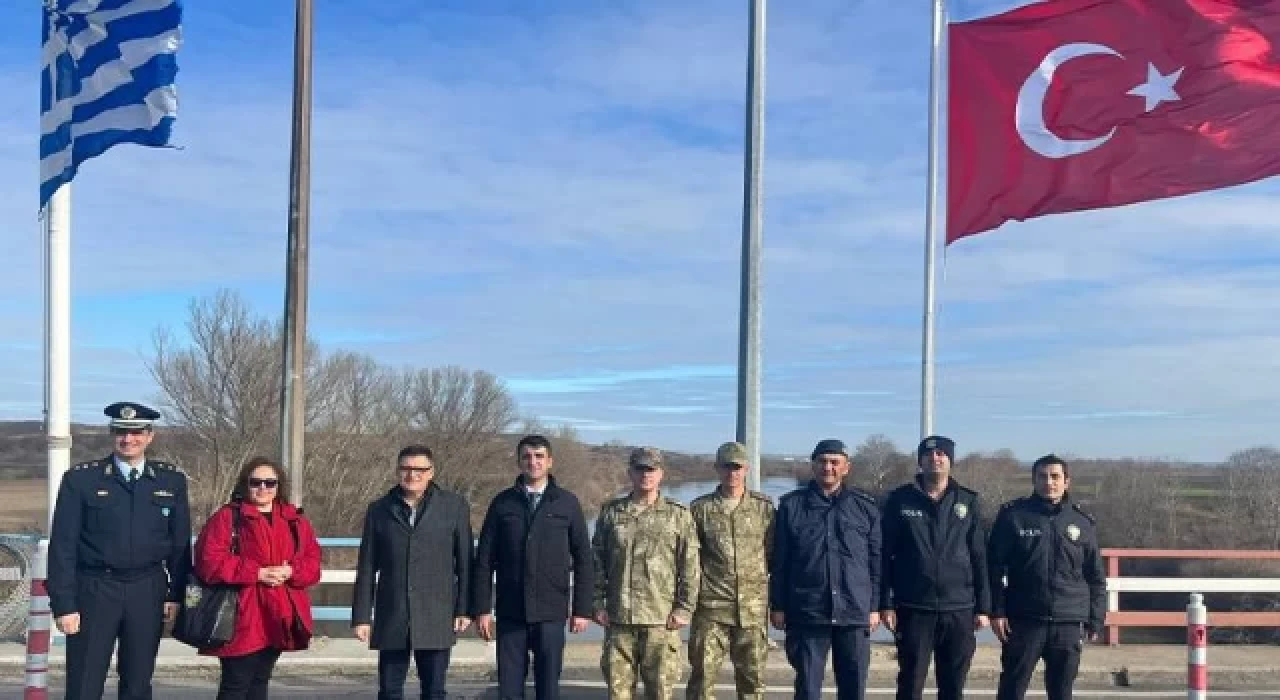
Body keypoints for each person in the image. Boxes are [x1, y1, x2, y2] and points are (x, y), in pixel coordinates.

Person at [47, 401, 192, 700]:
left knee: (138, 684)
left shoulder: (170, 481)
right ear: (112, 434)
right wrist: (64, 604)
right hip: (95, 589)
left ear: (150, 435)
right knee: (84, 682)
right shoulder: (81, 480)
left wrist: (175, 595)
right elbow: (63, 546)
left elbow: (179, 546)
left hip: (147, 589)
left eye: (137, 432)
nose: (129, 439)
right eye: (121, 432)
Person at [471, 434, 595, 700]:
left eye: (539, 456)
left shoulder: (567, 503)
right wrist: (482, 608)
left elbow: (584, 559)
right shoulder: (502, 503)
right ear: (519, 461)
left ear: (550, 461)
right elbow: (484, 560)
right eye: (527, 456)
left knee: (548, 687)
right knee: (510, 688)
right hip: (511, 611)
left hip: (551, 611)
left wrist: (582, 609)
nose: (533, 462)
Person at [193, 456, 323, 700]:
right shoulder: (228, 518)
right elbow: (209, 562)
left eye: (269, 483)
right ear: (245, 484)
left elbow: (312, 563)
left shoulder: (295, 521)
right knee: (236, 684)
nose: (262, 488)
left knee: (259, 682)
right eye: (256, 482)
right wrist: (257, 572)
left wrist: (291, 571)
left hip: (278, 614)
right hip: (242, 615)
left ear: (278, 486)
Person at [352, 445, 474, 700]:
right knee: (389, 690)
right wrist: (361, 617)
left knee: (434, 690)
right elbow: (366, 567)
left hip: (436, 614)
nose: (412, 475)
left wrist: (464, 609)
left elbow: (465, 563)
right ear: (397, 471)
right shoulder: (379, 509)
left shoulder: (453, 506)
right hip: (392, 613)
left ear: (432, 472)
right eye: (406, 468)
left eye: (420, 469)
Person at [880, 435, 990, 700]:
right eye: (929, 455)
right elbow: (884, 555)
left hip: (959, 609)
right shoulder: (900, 500)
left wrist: (985, 607)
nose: (935, 459)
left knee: (953, 685)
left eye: (941, 454)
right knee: (910, 683)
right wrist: (885, 603)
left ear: (950, 460)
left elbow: (979, 557)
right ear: (920, 462)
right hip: (914, 607)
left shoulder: (968, 502)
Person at [770, 438, 882, 700]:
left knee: (853, 687)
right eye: (822, 461)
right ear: (813, 466)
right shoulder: (791, 506)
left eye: (835, 462)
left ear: (846, 467)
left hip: (854, 611)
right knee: (808, 689)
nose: (828, 467)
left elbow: (876, 561)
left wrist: (875, 605)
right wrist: (778, 605)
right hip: (808, 611)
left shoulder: (865, 508)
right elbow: (781, 561)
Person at [988, 454, 1106, 700]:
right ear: (1033, 480)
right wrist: (997, 611)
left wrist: (1095, 618)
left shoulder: (1082, 522)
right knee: (1012, 688)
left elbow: (1095, 576)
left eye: (1055, 477)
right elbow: (994, 568)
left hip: (1068, 621)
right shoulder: (1013, 516)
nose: (1049, 482)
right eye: (1042, 476)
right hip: (1024, 620)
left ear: (1066, 482)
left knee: (1062, 692)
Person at [592, 447, 700, 700]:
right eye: (640, 468)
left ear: (661, 473)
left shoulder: (678, 514)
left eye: (651, 469)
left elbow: (691, 565)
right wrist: (596, 603)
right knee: (618, 693)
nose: (645, 474)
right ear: (630, 472)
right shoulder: (612, 512)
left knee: (660, 694)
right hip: (619, 620)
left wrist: (684, 608)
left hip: (660, 621)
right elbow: (597, 561)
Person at [686, 441, 775, 700]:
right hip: (711, 609)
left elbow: (773, 554)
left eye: (737, 467)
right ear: (717, 468)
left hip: (752, 610)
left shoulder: (764, 508)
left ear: (746, 469)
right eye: (726, 467)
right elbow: (691, 558)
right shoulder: (699, 509)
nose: (731, 473)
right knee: (702, 679)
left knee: (753, 681)